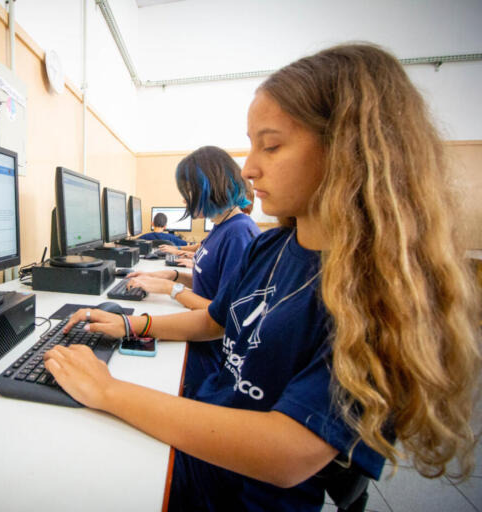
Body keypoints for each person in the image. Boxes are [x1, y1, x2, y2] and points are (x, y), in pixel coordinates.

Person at [44, 43, 481, 511]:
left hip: (244, 492)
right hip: (204, 442)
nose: (249, 168)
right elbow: (214, 320)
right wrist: (131, 325)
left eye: (270, 145)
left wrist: (110, 391)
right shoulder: (271, 246)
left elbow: (286, 454)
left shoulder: (373, 291)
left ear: (349, 152)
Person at [126, 146, 260, 394]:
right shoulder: (222, 227)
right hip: (198, 341)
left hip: (209, 355)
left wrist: (170, 289)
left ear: (209, 187)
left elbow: (221, 318)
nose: (184, 199)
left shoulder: (239, 233)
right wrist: (172, 275)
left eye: (188, 191)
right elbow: (211, 283)